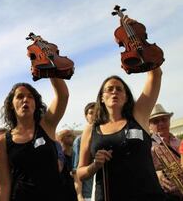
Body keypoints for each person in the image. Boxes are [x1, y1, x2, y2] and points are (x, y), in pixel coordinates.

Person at [76, 66, 164, 200]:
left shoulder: (139, 116)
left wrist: (139, 48)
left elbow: (155, 75)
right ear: (101, 98)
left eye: (119, 89)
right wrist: (95, 165)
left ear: (126, 97)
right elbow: (80, 173)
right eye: (109, 89)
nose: (114, 92)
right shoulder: (91, 129)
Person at [0, 78, 69, 201]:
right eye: (20, 96)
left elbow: (63, 96)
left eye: (30, 97)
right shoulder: (2, 141)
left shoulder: (47, 125)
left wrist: (49, 65)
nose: (25, 100)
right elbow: (3, 185)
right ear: (11, 105)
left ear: (36, 104)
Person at [150, 104, 182, 200]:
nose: (160, 123)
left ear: (169, 121)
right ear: (149, 125)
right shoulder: (147, 146)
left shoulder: (178, 141)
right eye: (155, 121)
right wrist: (156, 173)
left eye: (164, 119)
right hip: (166, 195)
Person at [72, 102, 95, 201]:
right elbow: (76, 170)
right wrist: (79, 195)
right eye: (91, 113)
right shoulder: (80, 140)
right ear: (86, 116)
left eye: (97, 112)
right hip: (88, 194)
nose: (94, 115)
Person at [57, 129, 78, 201]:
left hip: (75, 191)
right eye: (69, 136)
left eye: (72, 135)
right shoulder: (59, 156)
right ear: (61, 139)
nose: (73, 137)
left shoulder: (76, 155)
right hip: (63, 192)